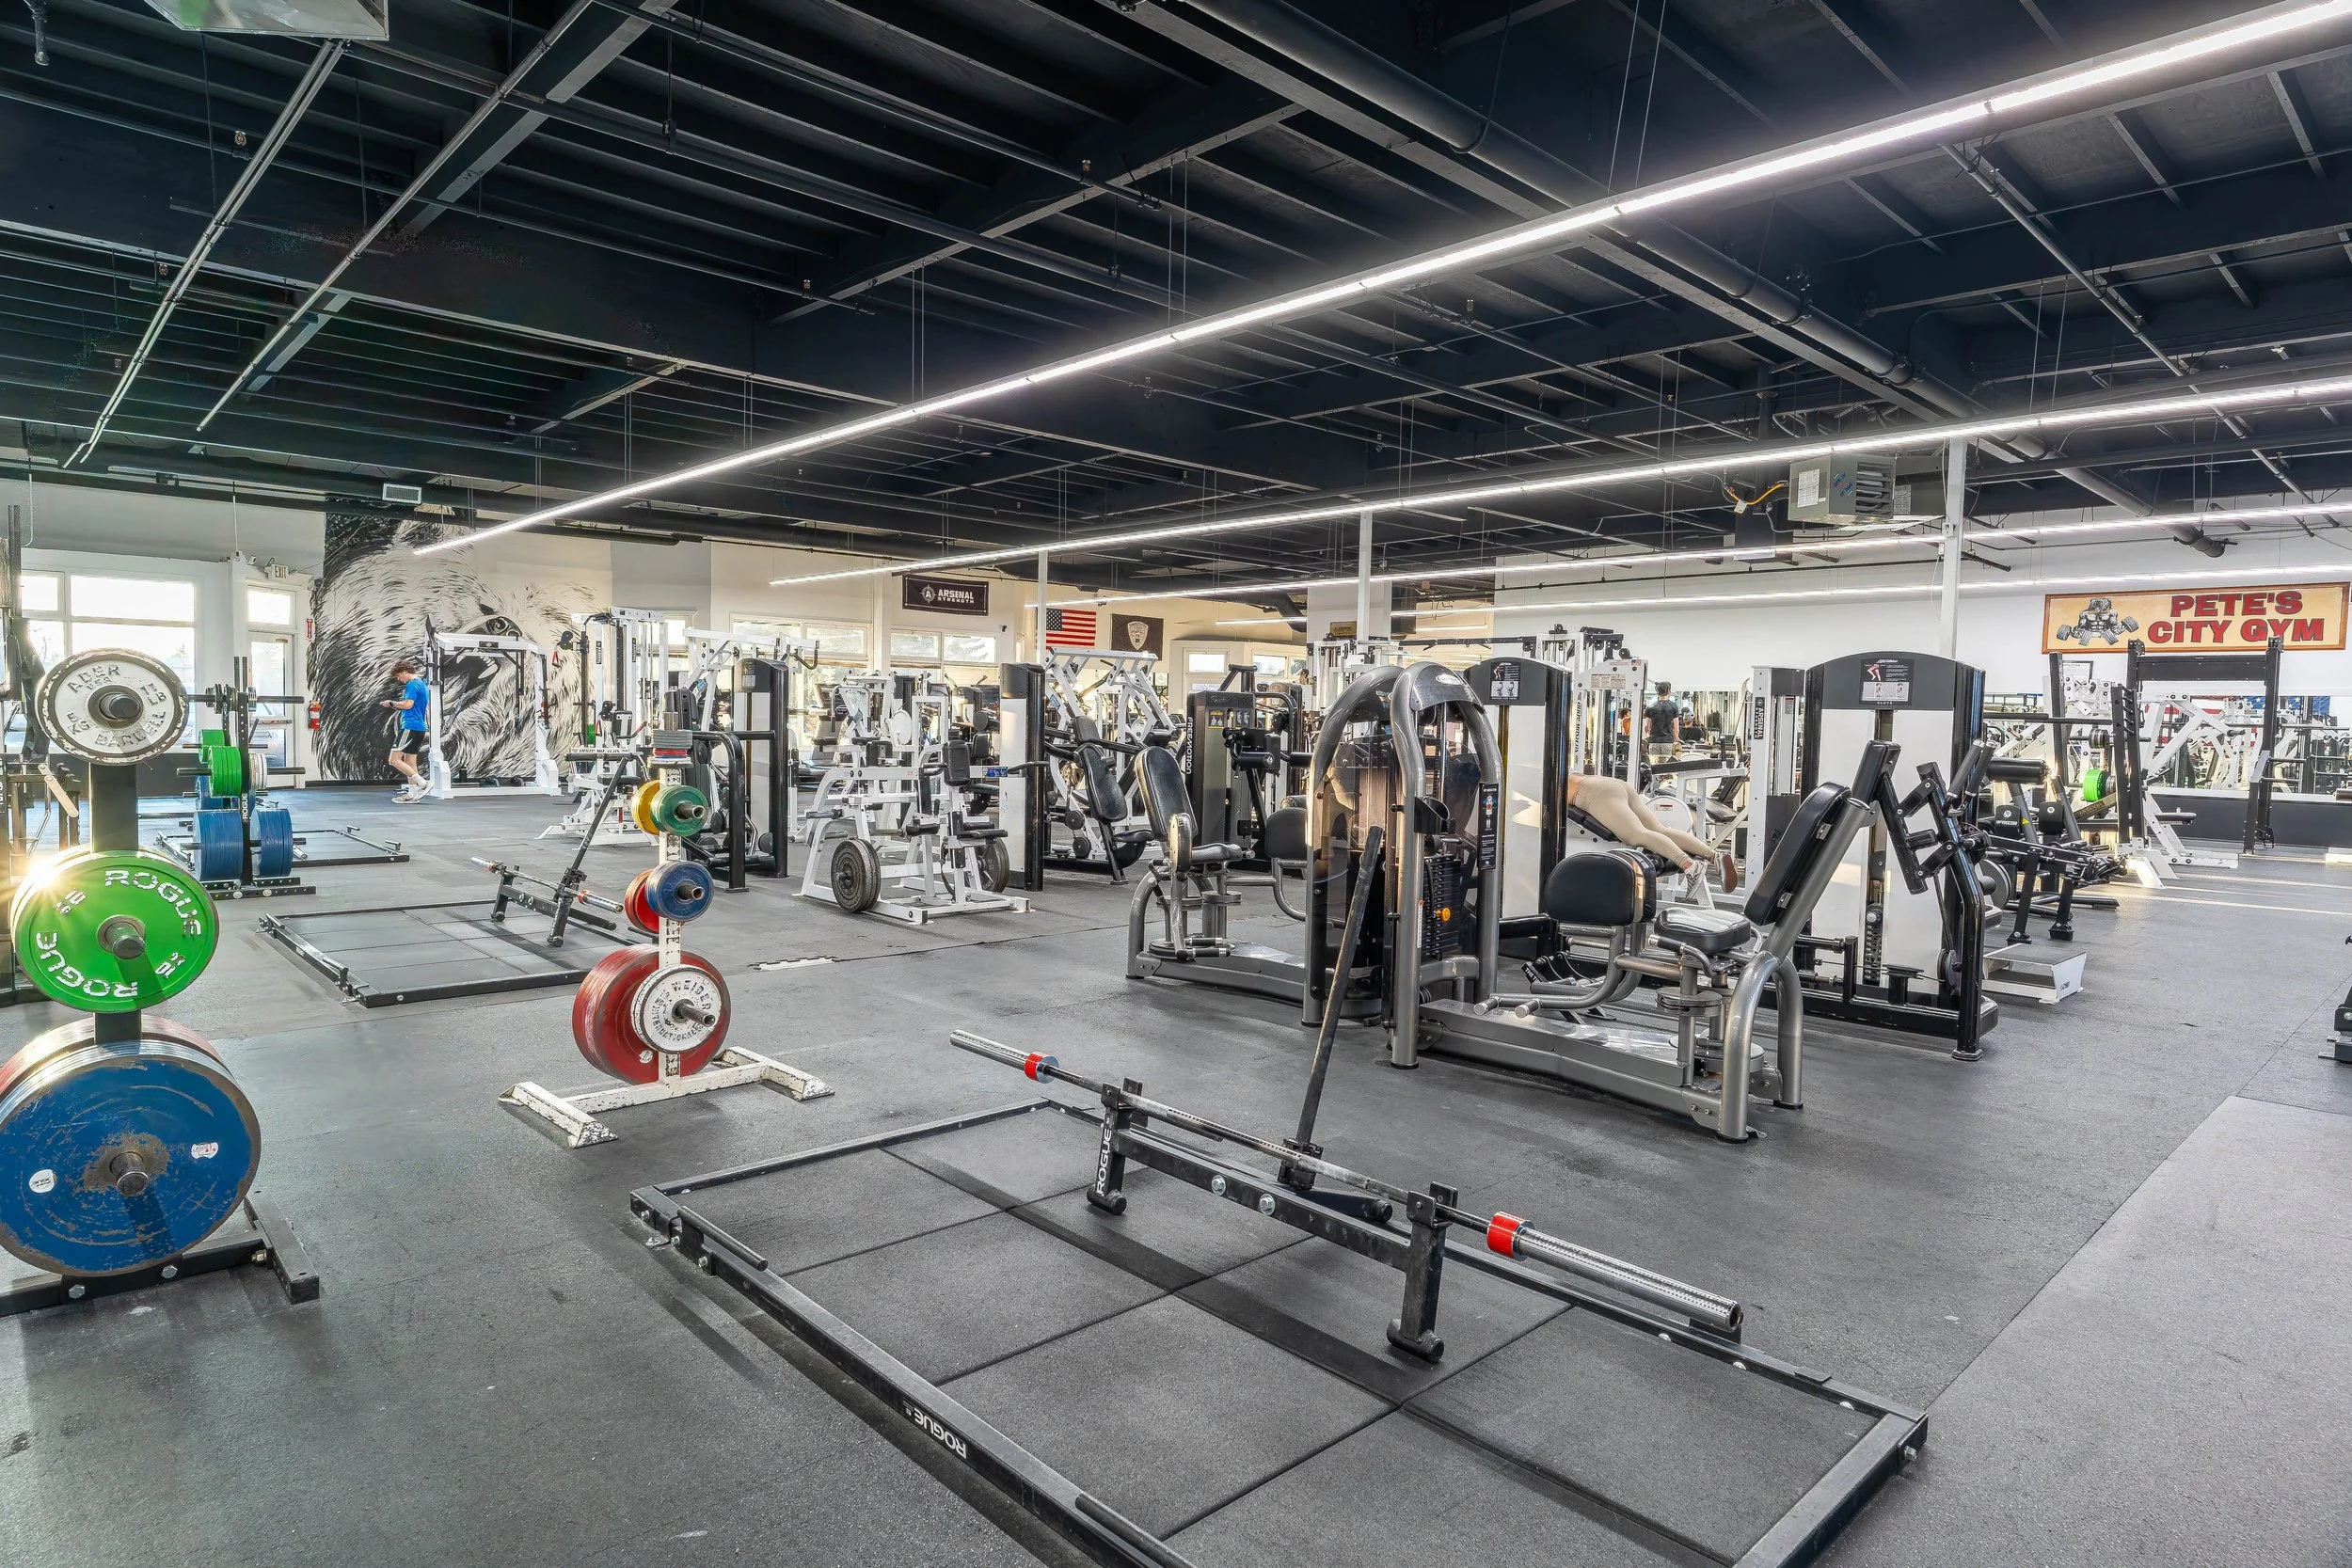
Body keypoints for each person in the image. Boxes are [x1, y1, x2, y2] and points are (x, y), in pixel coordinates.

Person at [382, 658, 431, 801]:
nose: (399, 679)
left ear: (404, 672)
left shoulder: (412, 684)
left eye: (399, 676)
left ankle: (424, 783)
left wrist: (391, 703)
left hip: (410, 727)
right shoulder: (421, 684)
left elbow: (408, 705)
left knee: (394, 759)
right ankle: (412, 794)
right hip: (419, 728)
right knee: (410, 762)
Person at [1645, 681, 1682, 755]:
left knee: (1654, 765)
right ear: (1669, 691)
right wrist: (1677, 738)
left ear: (1657, 692)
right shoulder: (1673, 706)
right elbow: (1676, 728)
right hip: (1667, 742)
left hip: (1653, 742)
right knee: (1667, 766)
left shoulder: (1650, 707)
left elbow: (1648, 728)